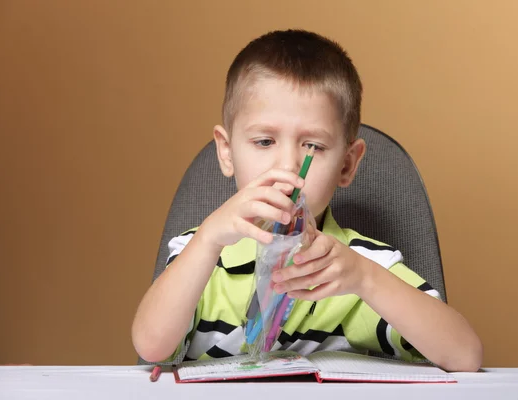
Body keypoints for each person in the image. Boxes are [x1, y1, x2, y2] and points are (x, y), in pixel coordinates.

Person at [131, 29, 483, 372]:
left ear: (347, 164)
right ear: (226, 152)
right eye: (264, 142)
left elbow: (465, 355)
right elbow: (151, 346)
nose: (287, 167)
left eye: (312, 146)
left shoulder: (360, 264)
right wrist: (208, 239)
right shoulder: (200, 251)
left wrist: (365, 279)